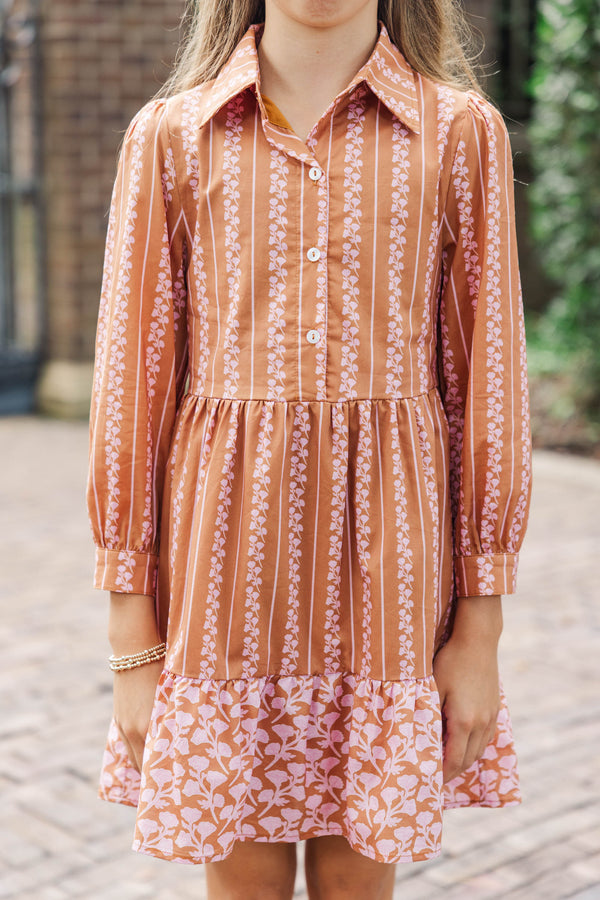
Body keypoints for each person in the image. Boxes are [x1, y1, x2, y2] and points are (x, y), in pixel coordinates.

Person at [86, 1, 532, 898]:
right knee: (243, 881)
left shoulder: (461, 134)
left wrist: (478, 634)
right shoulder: (174, 135)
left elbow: (486, 381)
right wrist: (134, 646)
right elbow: (130, 388)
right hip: (223, 583)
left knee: (353, 884)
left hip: (391, 591)